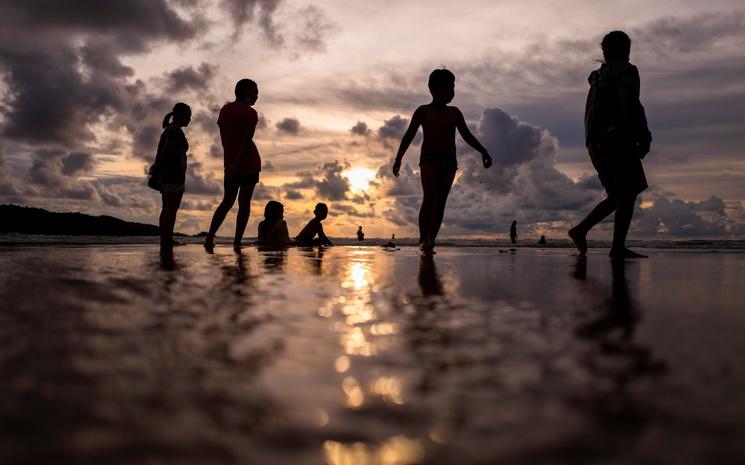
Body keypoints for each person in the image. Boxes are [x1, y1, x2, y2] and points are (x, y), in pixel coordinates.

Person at [569, 31, 652, 259]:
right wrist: (643, 136)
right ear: (627, 50)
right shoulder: (627, 71)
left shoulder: (598, 78)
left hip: (594, 143)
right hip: (615, 139)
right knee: (627, 192)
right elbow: (631, 105)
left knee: (618, 194)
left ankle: (580, 230)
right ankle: (616, 248)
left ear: (604, 52)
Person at [393, 68, 492, 253]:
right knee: (430, 198)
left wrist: (483, 150)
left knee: (441, 201)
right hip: (428, 160)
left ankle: (432, 239)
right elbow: (409, 135)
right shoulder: (423, 111)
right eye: (447, 87)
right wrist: (398, 158)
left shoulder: (454, 113)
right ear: (433, 88)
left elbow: (467, 135)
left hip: (449, 162)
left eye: (452, 88)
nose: (450, 92)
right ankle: (423, 238)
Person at [204, 79, 262, 250]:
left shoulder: (225, 110)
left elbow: (227, 140)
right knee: (241, 203)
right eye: (254, 91)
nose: (257, 96)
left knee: (228, 202)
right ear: (244, 91)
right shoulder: (250, 113)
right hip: (245, 162)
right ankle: (235, 242)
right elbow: (246, 141)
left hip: (233, 162)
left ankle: (210, 238)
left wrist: (231, 163)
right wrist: (235, 164)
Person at [150, 102, 191, 250]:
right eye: (188, 116)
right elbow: (167, 148)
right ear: (180, 115)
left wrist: (159, 166)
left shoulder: (171, 129)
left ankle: (165, 238)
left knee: (167, 208)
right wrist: (159, 165)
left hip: (169, 174)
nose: (189, 119)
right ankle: (167, 239)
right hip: (173, 175)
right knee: (171, 209)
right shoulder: (174, 130)